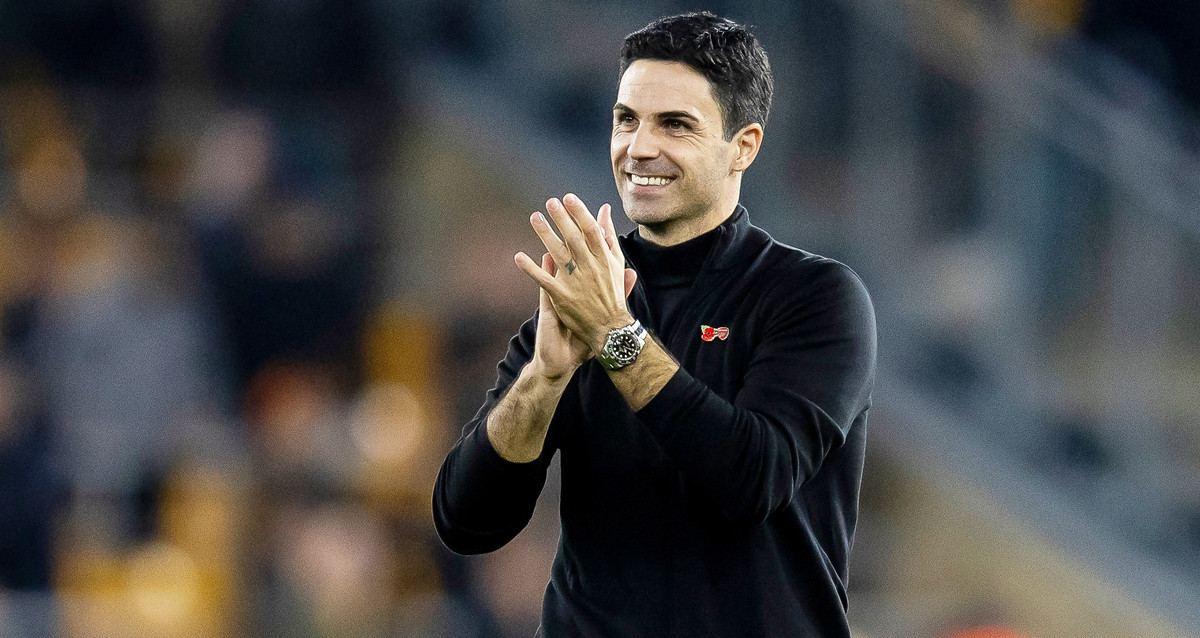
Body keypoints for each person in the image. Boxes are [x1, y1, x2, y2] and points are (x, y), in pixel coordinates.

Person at [434, 12, 877, 638]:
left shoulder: (813, 297)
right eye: (626, 119)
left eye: (675, 124)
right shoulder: (584, 292)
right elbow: (466, 521)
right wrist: (545, 375)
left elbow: (752, 480)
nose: (639, 147)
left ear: (743, 145)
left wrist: (615, 337)